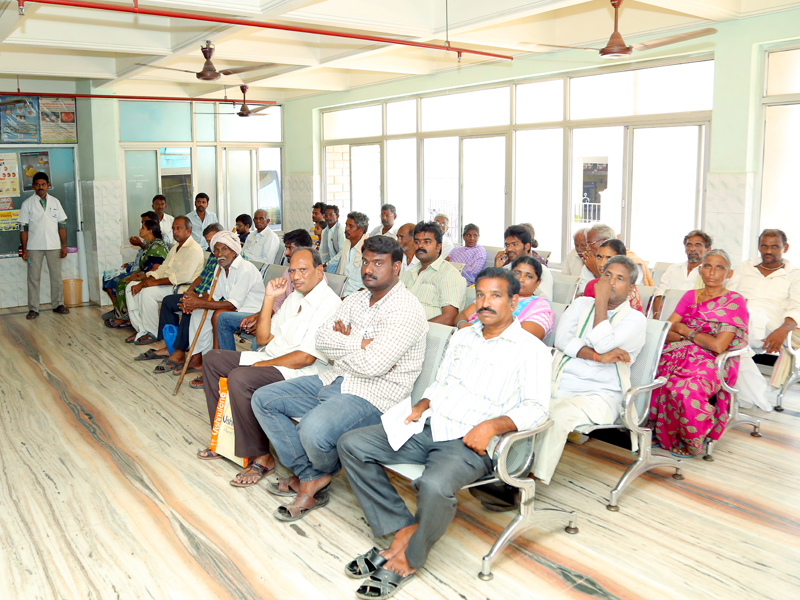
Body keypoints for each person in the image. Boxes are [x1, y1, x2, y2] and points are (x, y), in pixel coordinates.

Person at [337, 267, 551, 595]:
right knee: (352, 444)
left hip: (470, 442)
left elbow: (537, 408)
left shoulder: (530, 348)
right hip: (431, 424)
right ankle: (401, 527)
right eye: (480, 295)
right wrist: (423, 403)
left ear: (513, 301)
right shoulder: (463, 336)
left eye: (495, 296)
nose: (485, 302)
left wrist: (492, 426)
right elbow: (442, 382)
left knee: (434, 486)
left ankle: (410, 557)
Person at [251, 236, 428, 522]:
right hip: (335, 377)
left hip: (374, 395)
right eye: (365, 262)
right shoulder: (356, 299)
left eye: (378, 263)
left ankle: (314, 478)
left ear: (396, 267)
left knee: (312, 431)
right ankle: (311, 475)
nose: (368, 269)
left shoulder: (406, 310)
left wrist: (345, 341)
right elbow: (322, 339)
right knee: (264, 399)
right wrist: (361, 343)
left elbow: (372, 366)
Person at [199, 247, 341, 486]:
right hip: (272, 359)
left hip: (297, 371)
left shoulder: (329, 304)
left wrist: (262, 363)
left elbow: (305, 358)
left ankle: (262, 457)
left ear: (319, 271)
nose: (295, 276)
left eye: (303, 270)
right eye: (292, 271)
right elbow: (264, 338)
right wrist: (269, 298)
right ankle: (225, 440)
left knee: (241, 378)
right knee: (213, 359)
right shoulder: (295, 297)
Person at [532, 256, 646, 485]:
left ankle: (529, 480)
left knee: (558, 416)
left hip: (599, 396)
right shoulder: (581, 304)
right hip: (558, 382)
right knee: (524, 404)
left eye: (619, 278)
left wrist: (601, 302)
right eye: (607, 275)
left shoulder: (636, 320)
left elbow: (602, 343)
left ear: (631, 289)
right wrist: (597, 356)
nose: (611, 282)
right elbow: (562, 340)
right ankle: (504, 466)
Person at [649, 250, 750, 457]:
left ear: (729, 274)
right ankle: (660, 431)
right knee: (652, 378)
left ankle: (691, 438)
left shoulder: (733, 301)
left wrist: (686, 331)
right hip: (678, 352)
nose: (712, 272)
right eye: (707, 266)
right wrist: (691, 337)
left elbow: (718, 346)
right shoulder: (690, 296)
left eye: (719, 267)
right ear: (700, 270)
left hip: (712, 360)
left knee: (687, 390)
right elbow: (666, 330)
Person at [179, 230, 266, 389]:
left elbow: (232, 305)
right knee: (199, 313)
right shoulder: (220, 269)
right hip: (234, 311)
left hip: (252, 314)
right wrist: (192, 302)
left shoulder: (245, 269)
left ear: (234, 251)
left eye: (225, 249)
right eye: (216, 250)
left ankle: (221, 369)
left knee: (219, 316)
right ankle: (200, 358)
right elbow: (214, 297)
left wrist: (198, 303)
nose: (220, 254)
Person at [728, 229, 800, 410]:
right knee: (733, 344)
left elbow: (797, 307)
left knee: (729, 334)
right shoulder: (746, 267)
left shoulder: (795, 274)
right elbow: (729, 295)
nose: (768, 251)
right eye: (764, 246)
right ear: (759, 247)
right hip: (737, 319)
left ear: (785, 248)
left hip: (768, 326)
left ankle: (740, 393)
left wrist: (783, 331)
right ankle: (748, 395)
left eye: (775, 246)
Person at [136, 224, 223, 371]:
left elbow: (221, 289)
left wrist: (196, 298)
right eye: (208, 241)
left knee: (190, 309)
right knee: (168, 301)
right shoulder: (214, 256)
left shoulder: (228, 257)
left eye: (213, 239)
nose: (211, 244)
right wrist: (189, 292)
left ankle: (179, 352)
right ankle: (170, 346)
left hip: (212, 299)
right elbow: (201, 278)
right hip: (199, 294)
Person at [218, 230, 317, 352]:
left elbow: (300, 315)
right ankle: (227, 361)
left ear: (304, 249)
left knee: (258, 341)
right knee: (223, 319)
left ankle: (258, 362)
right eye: (286, 248)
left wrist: (265, 323)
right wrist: (259, 317)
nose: (285, 252)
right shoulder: (287, 272)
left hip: (289, 324)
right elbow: (277, 303)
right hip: (274, 317)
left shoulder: (314, 276)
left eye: (290, 248)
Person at [124, 216, 204, 345]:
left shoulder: (193, 249)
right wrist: (146, 280)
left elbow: (182, 277)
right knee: (130, 287)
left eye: (178, 228)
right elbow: (163, 268)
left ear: (188, 230)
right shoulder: (176, 247)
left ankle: (152, 332)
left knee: (147, 293)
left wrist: (153, 283)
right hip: (167, 285)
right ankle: (141, 329)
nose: (175, 231)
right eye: (173, 228)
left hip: (181, 288)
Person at [455, 256, 553, 340]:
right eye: (517, 273)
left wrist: (474, 330)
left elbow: (523, 338)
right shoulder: (493, 294)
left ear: (538, 283)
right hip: (467, 340)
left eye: (528, 276)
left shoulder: (539, 305)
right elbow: (461, 316)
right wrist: (463, 325)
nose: (521, 279)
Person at [18, 171, 69, 319]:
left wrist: (64, 245)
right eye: (38, 184)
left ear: (48, 185)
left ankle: (58, 304)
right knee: (33, 278)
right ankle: (33, 309)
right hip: (34, 247)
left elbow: (62, 225)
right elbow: (23, 229)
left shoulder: (55, 202)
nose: (40, 187)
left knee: (56, 277)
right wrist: (24, 249)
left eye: (43, 184)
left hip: (54, 245)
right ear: (33, 186)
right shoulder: (27, 204)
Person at [105, 218, 169, 327]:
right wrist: (136, 272)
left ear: (150, 231)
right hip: (145, 274)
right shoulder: (150, 245)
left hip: (153, 277)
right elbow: (144, 264)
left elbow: (156, 269)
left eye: (142, 228)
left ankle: (123, 318)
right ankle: (126, 317)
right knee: (120, 282)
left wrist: (140, 277)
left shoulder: (157, 246)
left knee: (124, 284)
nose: (140, 230)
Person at [401, 221, 466, 326]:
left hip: (429, 333)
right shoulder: (409, 274)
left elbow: (449, 318)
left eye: (427, 242)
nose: (420, 245)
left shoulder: (449, 274)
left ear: (438, 247)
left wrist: (414, 330)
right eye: (417, 242)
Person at [102, 210, 159, 308]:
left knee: (117, 282)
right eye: (142, 223)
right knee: (106, 277)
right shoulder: (147, 240)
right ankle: (118, 309)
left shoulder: (158, 241)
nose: (140, 228)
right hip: (135, 268)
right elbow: (142, 258)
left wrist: (140, 244)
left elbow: (153, 260)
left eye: (144, 224)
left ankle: (123, 311)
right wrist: (130, 264)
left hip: (144, 271)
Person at [652, 230, 713, 317]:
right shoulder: (673, 268)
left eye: (698, 245)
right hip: (667, 316)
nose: (692, 249)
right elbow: (660, 295)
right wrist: (657, 314)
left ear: (708, 249)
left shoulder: (709, 274)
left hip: (693, 318)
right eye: (689, 245)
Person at [579, 224, 646, 293]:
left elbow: (626, 294)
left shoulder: (632, 264)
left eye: (590, 244)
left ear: (605, 241)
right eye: (600, 257)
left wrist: (597, 273)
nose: (588, 248)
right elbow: (582, 292)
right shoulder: (591, 262)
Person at [582, 239, 644, 313]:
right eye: (599, 257)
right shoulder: (592, 285)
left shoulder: (627, 288)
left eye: (609, 258)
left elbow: (635, 316)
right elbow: (585, 313)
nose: (602, 263)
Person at [494, 225, 554, 301]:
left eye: (515, 244)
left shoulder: (542, 271)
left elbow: (545, 301)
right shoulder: (507, 268)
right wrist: (497, 270)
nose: (509, 249)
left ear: (527, 246)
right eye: (507, 245)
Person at [337, 211, 369, 297]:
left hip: (360, 296)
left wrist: (350, 298)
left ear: (361, 230)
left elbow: (369, 285)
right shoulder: (347, 243)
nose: (346, 229)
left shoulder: (368, 248)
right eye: (346, 225)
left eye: (350, 226)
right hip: (343, 292)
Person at [321, 204, 346, 272]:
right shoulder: (324, 231)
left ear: (337, 216)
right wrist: (322, 263)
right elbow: (322, 250)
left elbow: (342, 252)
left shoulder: (341, 231)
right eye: (326, 215)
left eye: (331, 215)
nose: (328, 217)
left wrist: (328, 264)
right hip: (328, 265)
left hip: (339, 264)